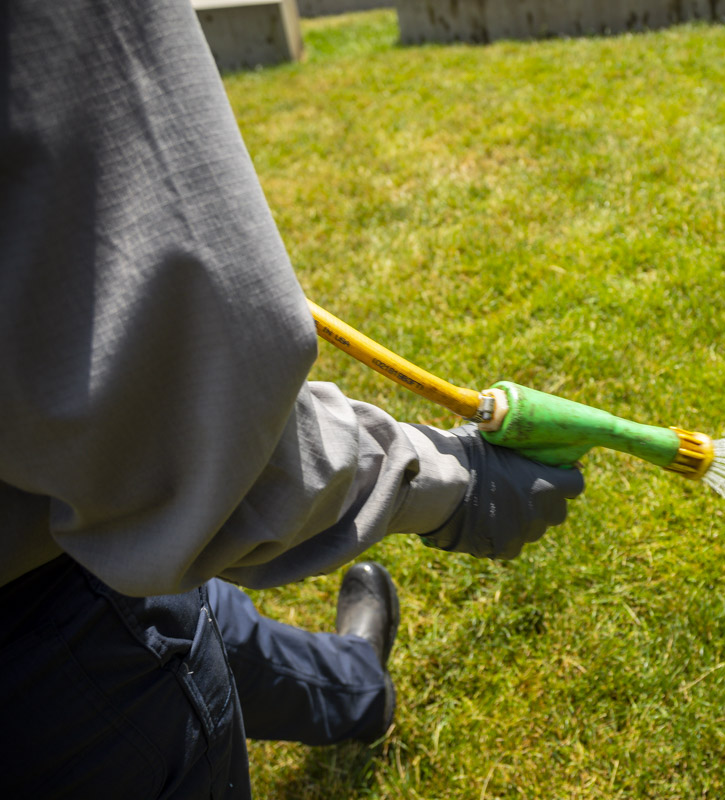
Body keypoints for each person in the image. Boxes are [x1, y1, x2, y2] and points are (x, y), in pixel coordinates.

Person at [0, 1, 584, 797]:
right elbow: (173, 428)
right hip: (42, 641)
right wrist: (449, 483)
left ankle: (353, 686)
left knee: (162, 588)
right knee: (133, 604)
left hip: (40, 545)